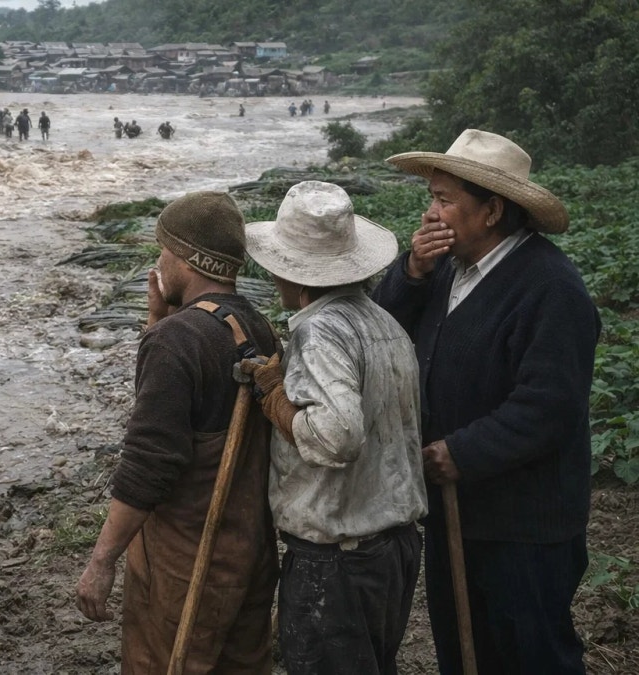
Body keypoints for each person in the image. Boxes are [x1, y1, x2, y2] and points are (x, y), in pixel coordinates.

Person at [371, 129, 600, 674]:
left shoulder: (551, 289)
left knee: (530, 653)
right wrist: (412, 273)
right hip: (457, 511)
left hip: (524, 523)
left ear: (493, 210)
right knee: (463, 648)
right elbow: (384, 331)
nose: (431, 213)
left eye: (444, 200)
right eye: (431, 197)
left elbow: (548, 406)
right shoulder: (448, 268)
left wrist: (463, 452)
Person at [76, 192, 280, 674]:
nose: (158, 261)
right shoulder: (257, 327)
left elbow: (149, 463)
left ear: (186, 258)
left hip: (186, 564)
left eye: (163, 250)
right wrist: (156, 324)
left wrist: (102, 561)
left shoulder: (177, 341)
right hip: (249, 554)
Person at [244, 181, 428, 674]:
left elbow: (338, 436)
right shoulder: (386, 324)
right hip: (394, 547)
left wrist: (275, 398)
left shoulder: (319, 330)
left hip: (339, 558)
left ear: (291, 272)